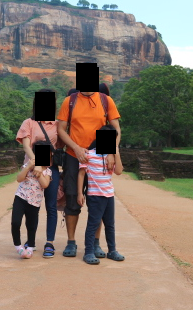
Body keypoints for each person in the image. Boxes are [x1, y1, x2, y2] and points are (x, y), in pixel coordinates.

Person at [57, 89, 121, 257]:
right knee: (72, 198)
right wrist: (76, 148)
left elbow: (116, 129)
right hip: (73, 154)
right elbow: (61, 129)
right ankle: (71, 242)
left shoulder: (105, 100)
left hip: (100, 154)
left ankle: (95, 243)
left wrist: (112, 152)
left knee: (98, 200)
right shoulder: (69, 101)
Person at [16, 89, 61, 258]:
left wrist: (42, 167)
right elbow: (26, 145)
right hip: (31, 167)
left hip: (49, 169)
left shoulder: (56, 125)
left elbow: (59, 146)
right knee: (30, 206)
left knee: (51, 206)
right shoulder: (29, 122)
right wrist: (35, 163)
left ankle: (49, 242)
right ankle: (31, 241)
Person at [78, 125, 125, 264]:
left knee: (110, 224)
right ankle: (88, 252)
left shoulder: (111, 157)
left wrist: (116, 152)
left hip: (109, 195)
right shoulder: (89, 155)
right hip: (95, 195)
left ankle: (112, 250)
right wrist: (79, 193)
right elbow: (81, 175)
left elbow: (119, 171)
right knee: (93, 224)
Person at [11, 140, 52, 259]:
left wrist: (39, 171)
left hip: (35, 201)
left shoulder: (47, 171)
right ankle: (18, 246)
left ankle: (30, 246)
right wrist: (29, 166)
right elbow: (19, 179)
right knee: (15, 222)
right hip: (21, 197)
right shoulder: (27, 166)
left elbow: (45, 185)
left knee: (31, 225)